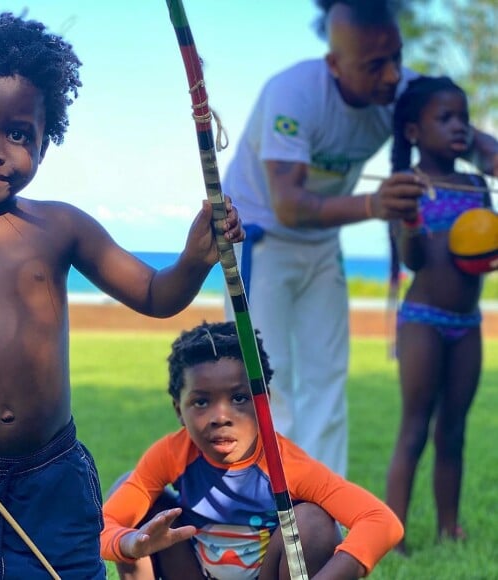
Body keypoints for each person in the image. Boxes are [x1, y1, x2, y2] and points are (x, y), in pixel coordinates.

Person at [0, 12, 244, 579]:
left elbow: (154, 292)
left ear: (44, 145)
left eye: (18, 133)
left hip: (52, 475)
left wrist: (194, 259)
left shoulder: (62, 226)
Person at [222, 0, 498, 477]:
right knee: (269, 381)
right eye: (375, 66)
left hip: (322, 243)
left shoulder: (403, 91)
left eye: (396, 57)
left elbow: (475, 144)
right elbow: (289, 203)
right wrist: (374, 205)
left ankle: (324, 515)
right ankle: (271, 512)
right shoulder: (293, 94)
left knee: (328, 379)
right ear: (335, 65)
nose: (392, 77)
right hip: (258, 240)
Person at [101, 321, 404, 580]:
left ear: (263, 401)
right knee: (133, 500)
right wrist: (131, 544)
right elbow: (104, 526)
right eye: (201, 402)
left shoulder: (287, 464)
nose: (221, 416)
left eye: (238, 398)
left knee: (314, 521)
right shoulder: (171, 454)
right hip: (193, 570)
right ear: (179, 410)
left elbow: (381, 521)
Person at [384, 75, 494, 554]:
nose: (458, 127)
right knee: (415, 429)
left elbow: (485, 250)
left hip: (467, 324)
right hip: (424, 321)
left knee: (454, 429)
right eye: (444, 117)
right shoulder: (407, 187)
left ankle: (449, 527)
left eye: (463, 118)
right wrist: (408, 221)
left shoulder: (475, 184)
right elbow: (411, 258)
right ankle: (395, 533)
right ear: (413, 131)